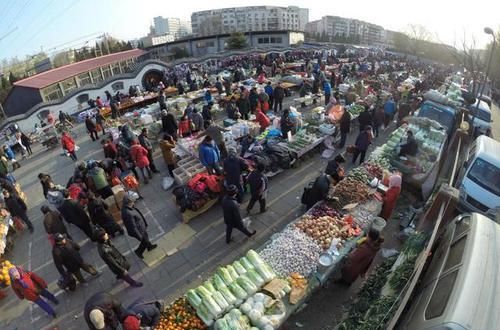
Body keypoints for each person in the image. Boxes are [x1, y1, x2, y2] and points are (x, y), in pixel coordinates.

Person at [121, 192, 157, 259]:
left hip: (141, 227)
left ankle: (149, 247)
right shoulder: (127, 213)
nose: (134, 202)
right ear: (129, 201)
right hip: (138, 230)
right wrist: (140, 237)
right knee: (144, 241)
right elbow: (133, 227)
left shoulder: (129, 207)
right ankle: (138, 251)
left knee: (146, 237)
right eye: (133, 201)